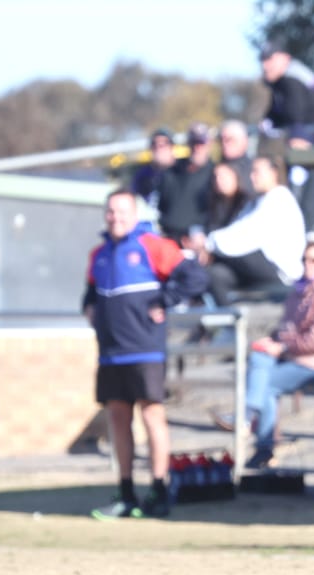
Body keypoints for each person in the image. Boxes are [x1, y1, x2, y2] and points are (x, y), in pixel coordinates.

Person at [83, 189, 209, 520]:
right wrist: (89, 309)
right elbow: (90, 292)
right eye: (111, 211)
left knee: (152, 415)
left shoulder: (151, 245)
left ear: (135, 215)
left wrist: (163, 301)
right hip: (111, 353)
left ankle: (159, 488)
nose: (116, 217)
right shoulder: (99, 254)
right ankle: (125, 492)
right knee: (118, 419)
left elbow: (195, 276)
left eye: (122, 211)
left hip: (144, 351)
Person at [232, 239, 314, 469]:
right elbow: (287, 329)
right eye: (304, 259)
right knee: (260, 358)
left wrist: (282, 346)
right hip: (304, 358)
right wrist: (274, 342)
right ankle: (252, 426)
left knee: (266, 384)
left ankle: (256, 434)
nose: (308, 264)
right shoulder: (302, 290)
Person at [259, 36, 314, 233]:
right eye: (263, 59)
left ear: (285, 58)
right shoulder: (282, 80)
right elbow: (277, 113)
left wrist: (295, 136)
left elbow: (294, 114)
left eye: (270, 58)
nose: (265, 64)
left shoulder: (291, 78)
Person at [192, 156, 306, 307]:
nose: (252, 177)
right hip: (257, 267)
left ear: (273, 173)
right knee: (215, 274)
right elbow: (236, 229)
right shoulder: (258, 201)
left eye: (257, 172)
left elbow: (246, 235)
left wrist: (208, 243)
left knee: (228, 252)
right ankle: (230, 321)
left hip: (280, 271)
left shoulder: (279, 199)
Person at [157, 122, 215, 243]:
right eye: (194, 142)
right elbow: (162, 203)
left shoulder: (215, 173)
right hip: (169, 238)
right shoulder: (171, 171)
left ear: (209, 144)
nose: (197, 147)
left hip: (199, 240)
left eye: (201, 143)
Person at [130, 128, 175, 211]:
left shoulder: (182, 171)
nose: (158, 148)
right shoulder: (142, 175)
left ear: (172, 146)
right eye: (154, 144)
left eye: (163, 144)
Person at [206, 162, 253, 233]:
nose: (218, 181)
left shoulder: (247, 203)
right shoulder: (215, 202)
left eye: (223, 177)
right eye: (216, 177)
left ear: (235, 177)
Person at [217, 119, 255, 195]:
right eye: (221, 139)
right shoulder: (216, 168)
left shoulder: (253, 170)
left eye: (230, 139)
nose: (224, 144)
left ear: (244, 141)